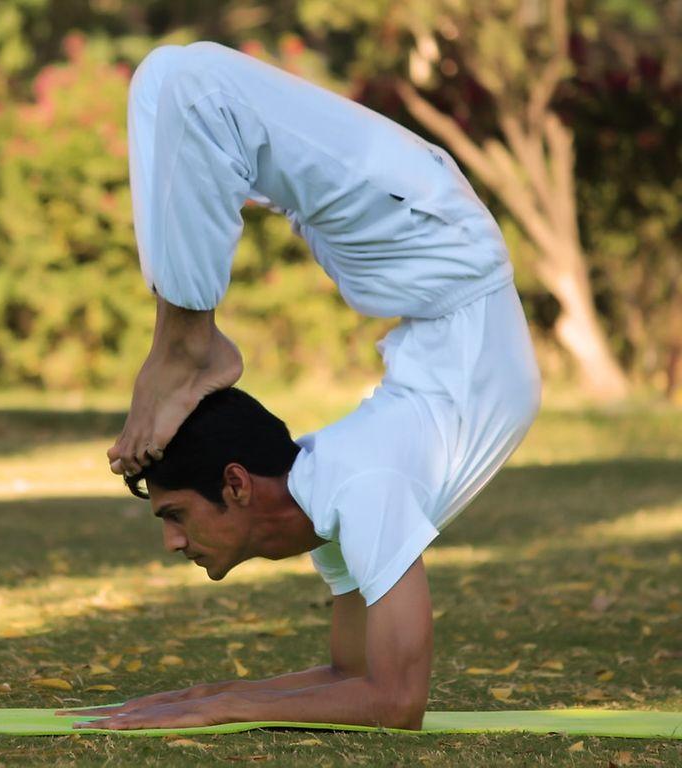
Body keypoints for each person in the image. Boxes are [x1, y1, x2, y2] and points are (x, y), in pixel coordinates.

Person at [82, 40, 542, 730]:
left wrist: (224, 705)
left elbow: (395, 702)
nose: (172, 543)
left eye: (173, 514)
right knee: (172, 84)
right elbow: (356, 679)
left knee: (181, 84)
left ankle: (186, 343)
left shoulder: (356, 490)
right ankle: (185, 342)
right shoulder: (341, 502)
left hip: (437, 262)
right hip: (429, 266)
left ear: (236, 483)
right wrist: (198, 700)